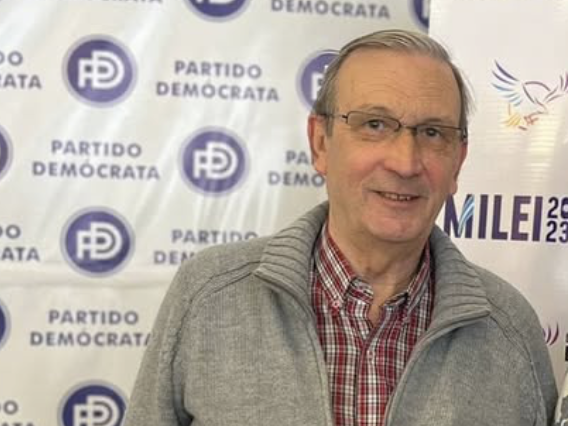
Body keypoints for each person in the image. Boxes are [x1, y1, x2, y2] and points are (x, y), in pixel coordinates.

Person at [124, 29, 557, 426]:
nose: (405, 162)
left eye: (432, 133)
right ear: (320, 143)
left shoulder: (509, 329)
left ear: (458, 162)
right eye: (374, 125)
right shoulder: (209, 296)